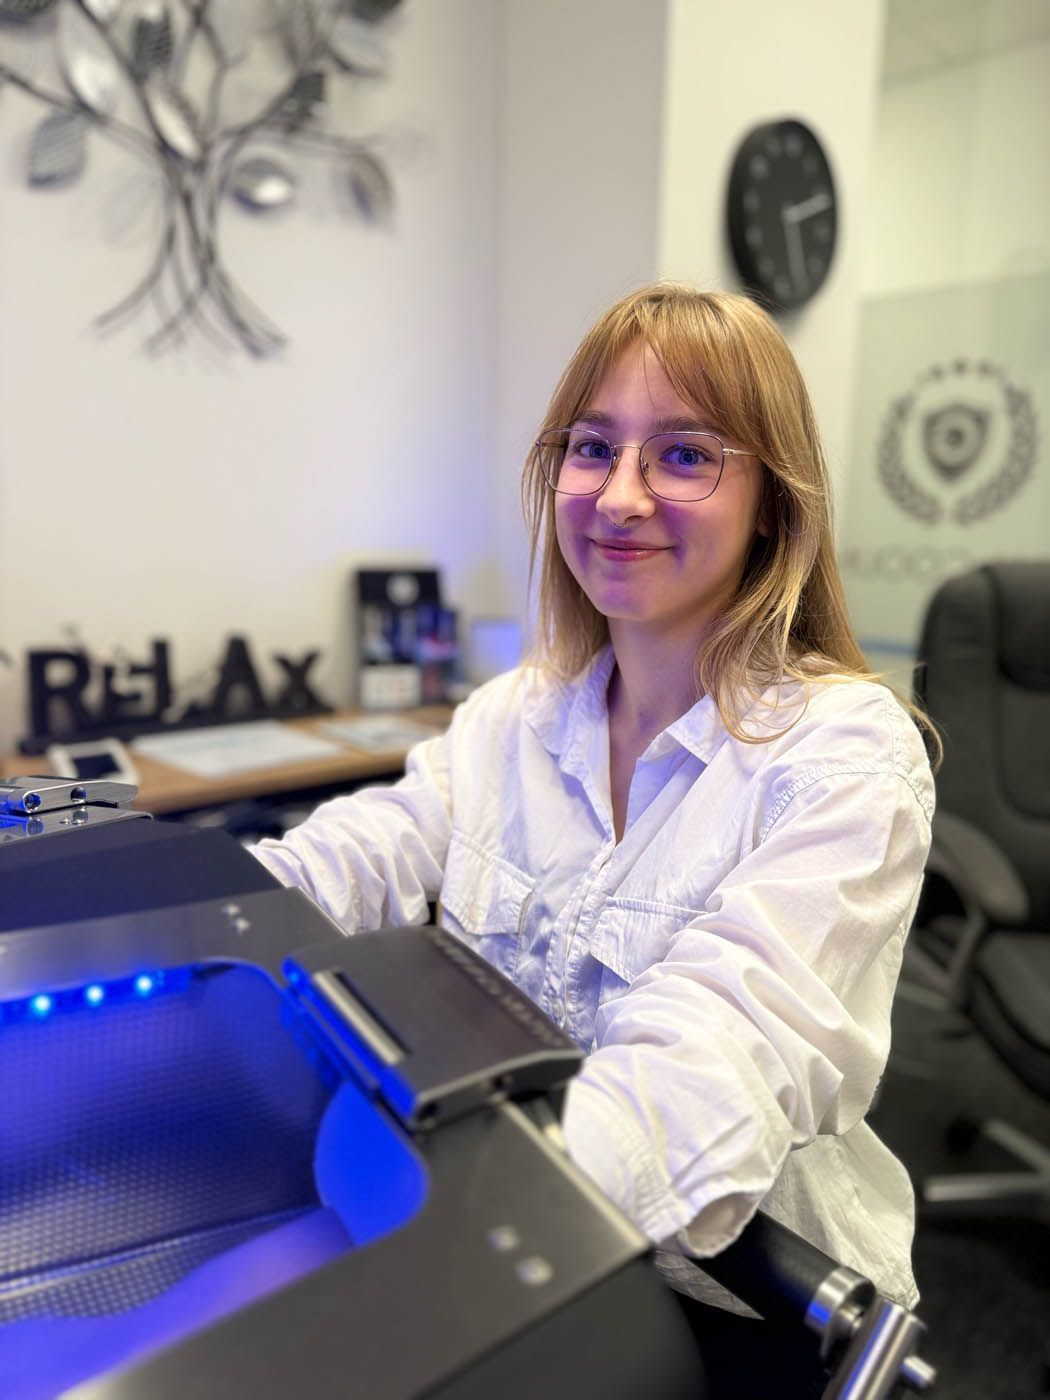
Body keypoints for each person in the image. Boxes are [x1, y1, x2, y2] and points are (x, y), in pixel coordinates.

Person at [252, 282, 935, 1397]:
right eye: (592, 447)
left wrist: (435, 1233)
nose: (619, 496)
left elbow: (711, 1059)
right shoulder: (520, 710)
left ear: (771, 499)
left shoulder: (847, 754)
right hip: (516, 1249)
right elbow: (359, 853)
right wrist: (194, 909)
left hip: (737, 1299)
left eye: (683, 455)